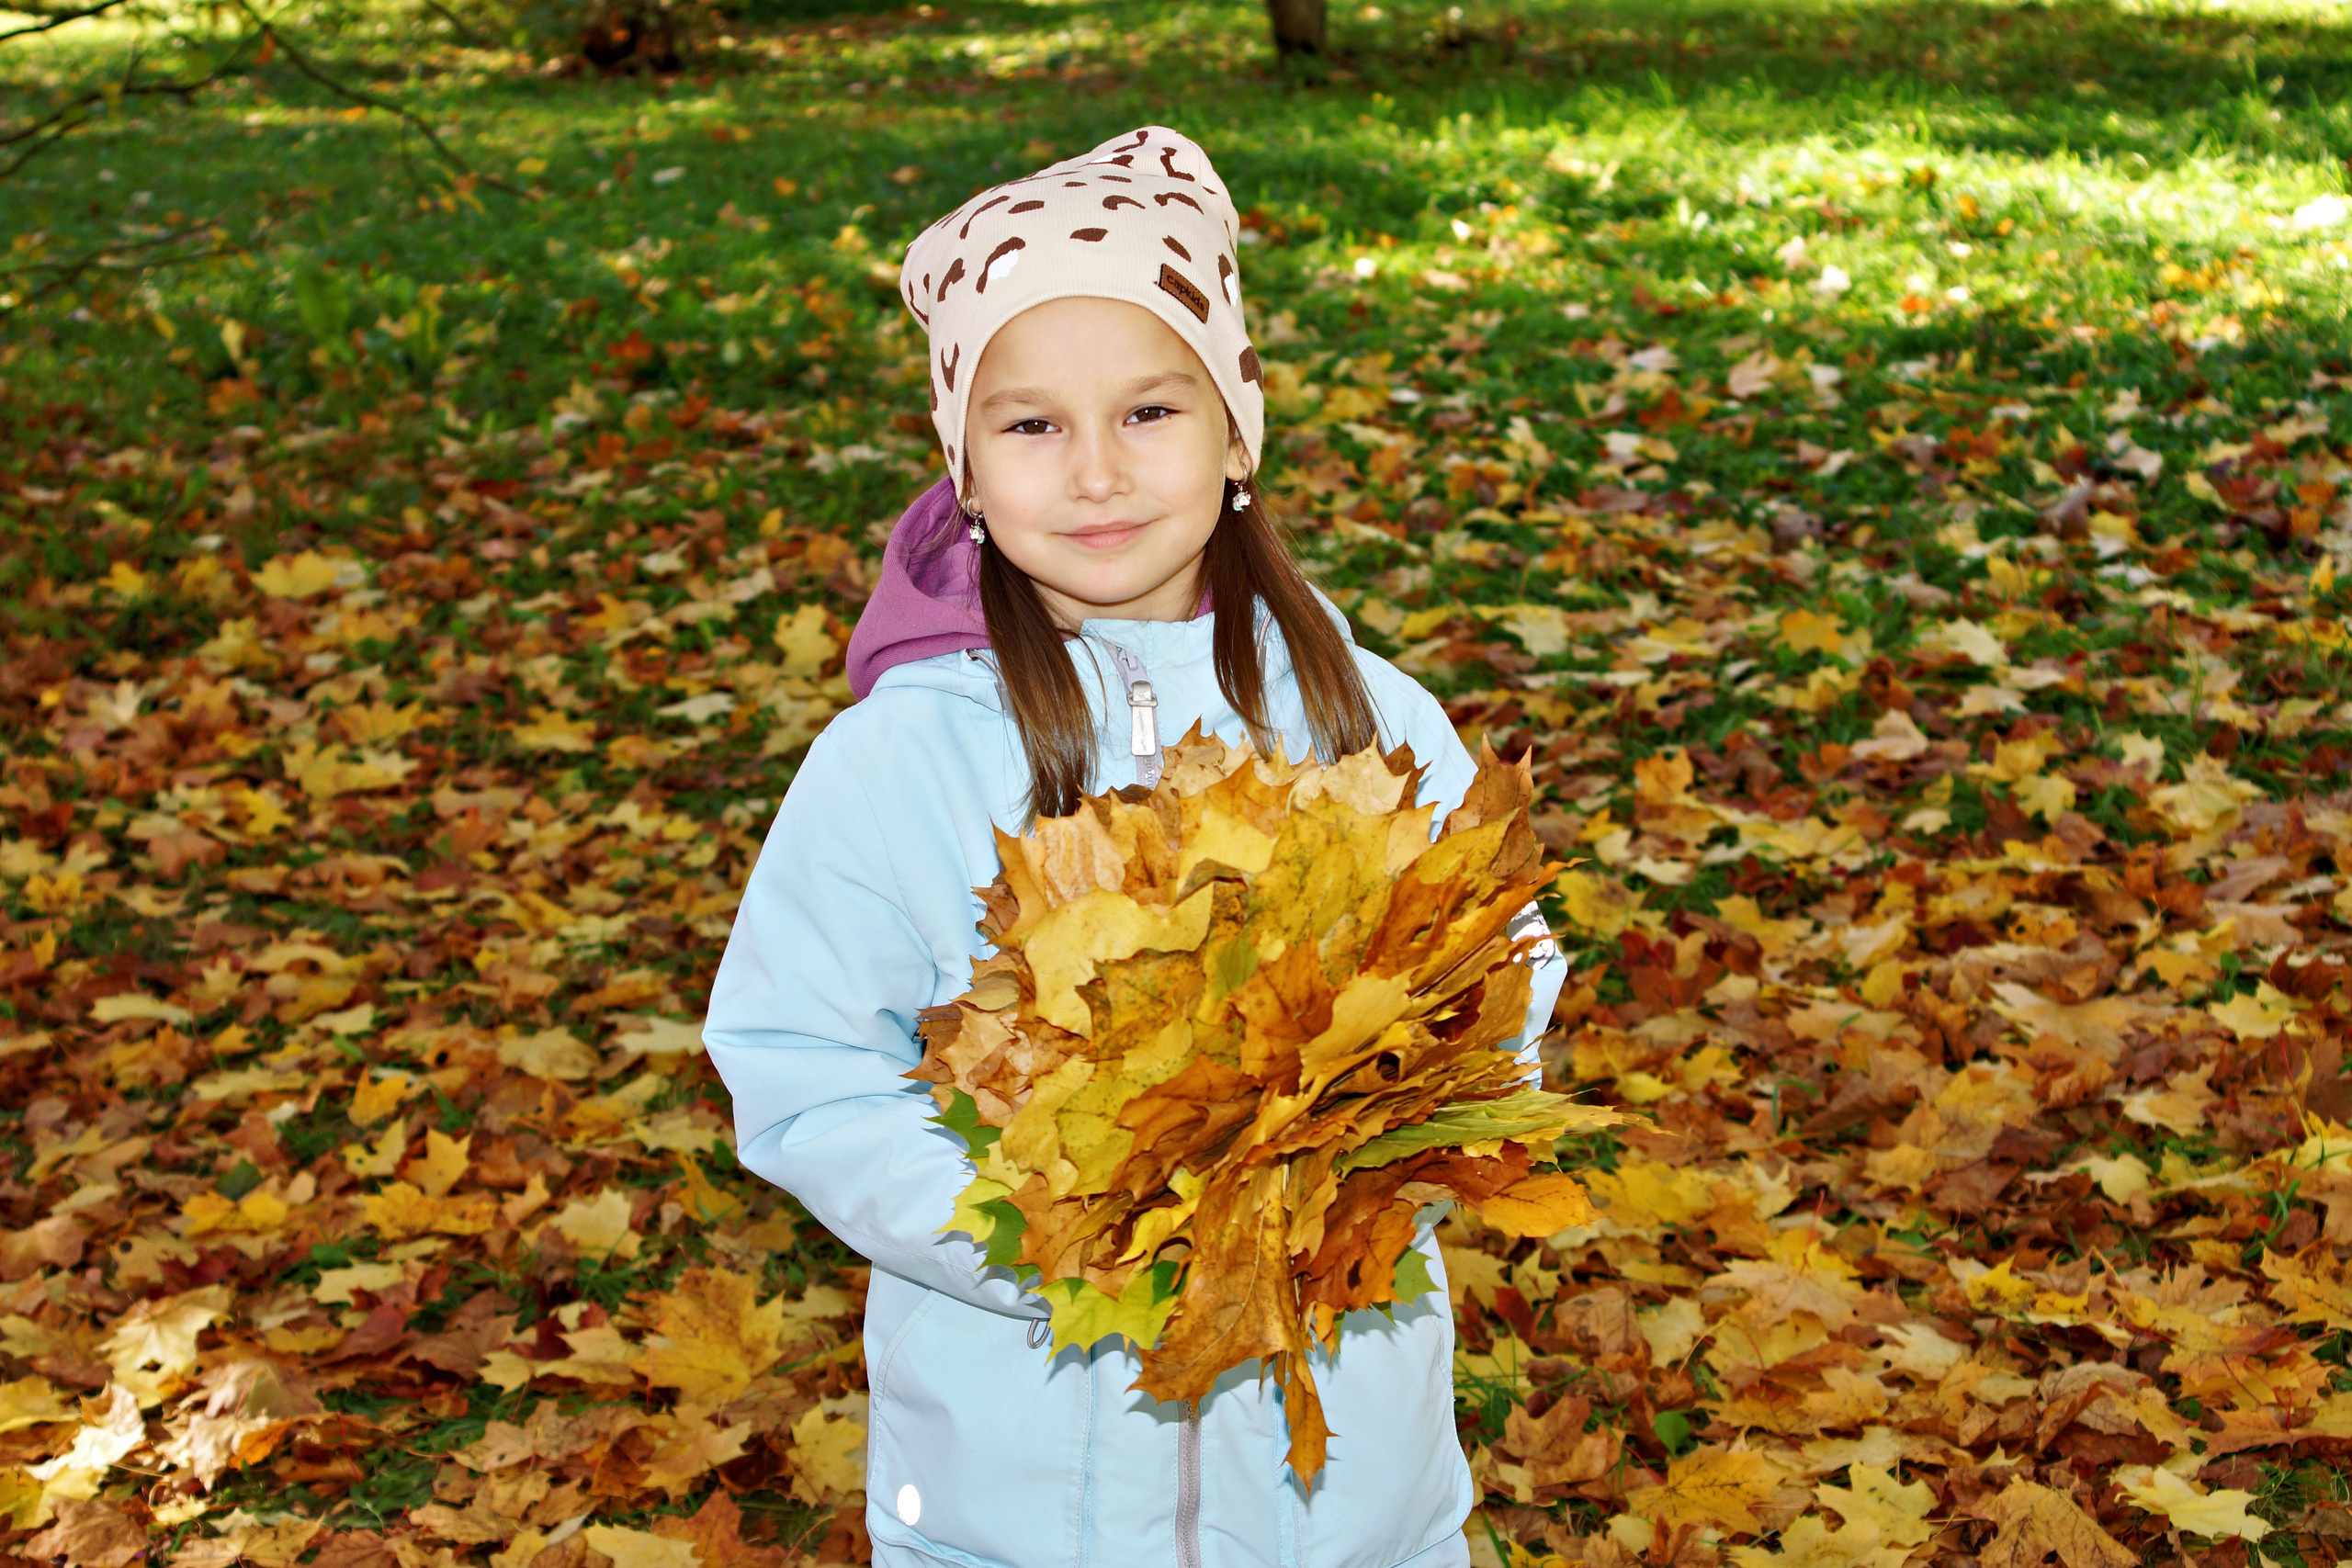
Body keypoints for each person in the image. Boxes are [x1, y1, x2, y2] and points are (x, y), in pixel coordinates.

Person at [704, 125, 1568, 1568]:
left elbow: (1500, 987)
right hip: (1014, 1504)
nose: (1095, 472)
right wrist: (1047, 1219)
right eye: (1031, 424)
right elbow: (799, 1070)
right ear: (964, 472)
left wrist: (1358, 1169)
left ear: (1237, 431)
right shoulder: (903, 761)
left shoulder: (1372, 724)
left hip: (1346, 1502)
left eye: (1151, 410)